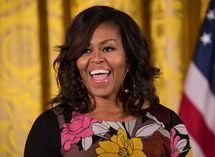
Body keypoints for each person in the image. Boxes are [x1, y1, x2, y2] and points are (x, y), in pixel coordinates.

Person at [24, 5, 190, 157]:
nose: (96, 58)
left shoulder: (167, 123)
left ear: (129, 59)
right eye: (85, 50)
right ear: (75, 62)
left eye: (108, 48)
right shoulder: (50, 126)